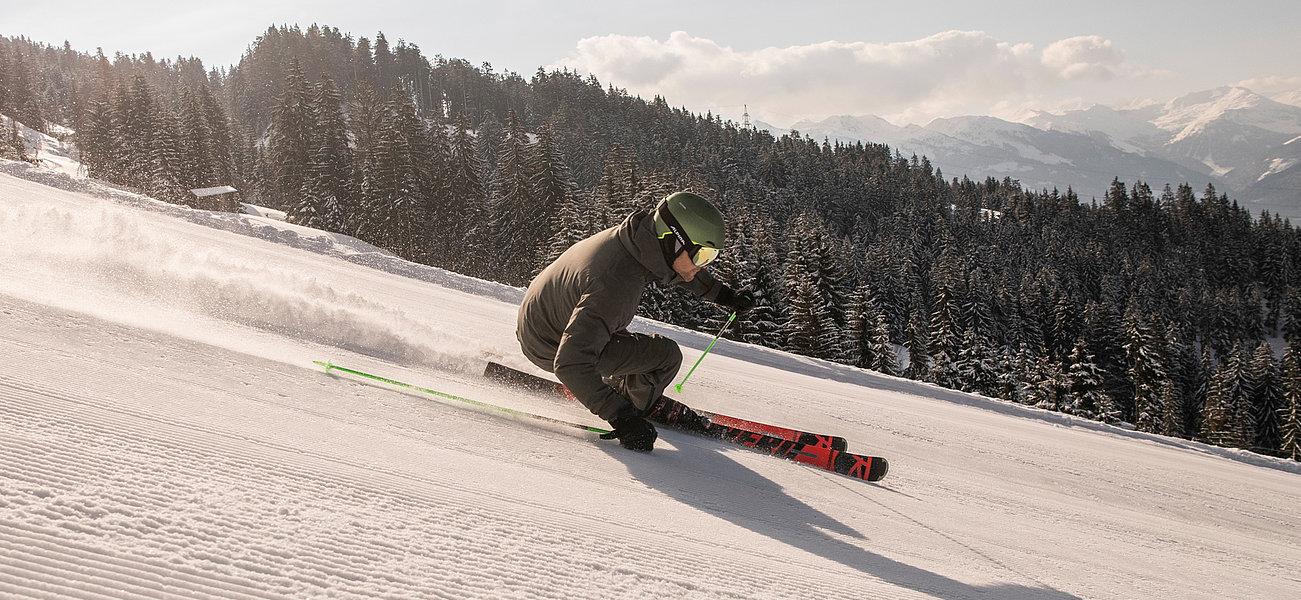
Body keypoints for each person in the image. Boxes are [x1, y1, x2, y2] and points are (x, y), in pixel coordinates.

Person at [516, 191, 753, 452]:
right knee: (666, 356)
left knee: (625, 336)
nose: (703, 265)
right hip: (550, 345)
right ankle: (632, 398)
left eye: (710, 257)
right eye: (701, 256)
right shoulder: (617, 283)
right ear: (673, 241)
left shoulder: (638, 241)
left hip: (542, 323)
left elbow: (680, 269)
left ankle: (626, 387)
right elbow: (570, 363)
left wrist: (724, 296)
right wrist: (623, 417)